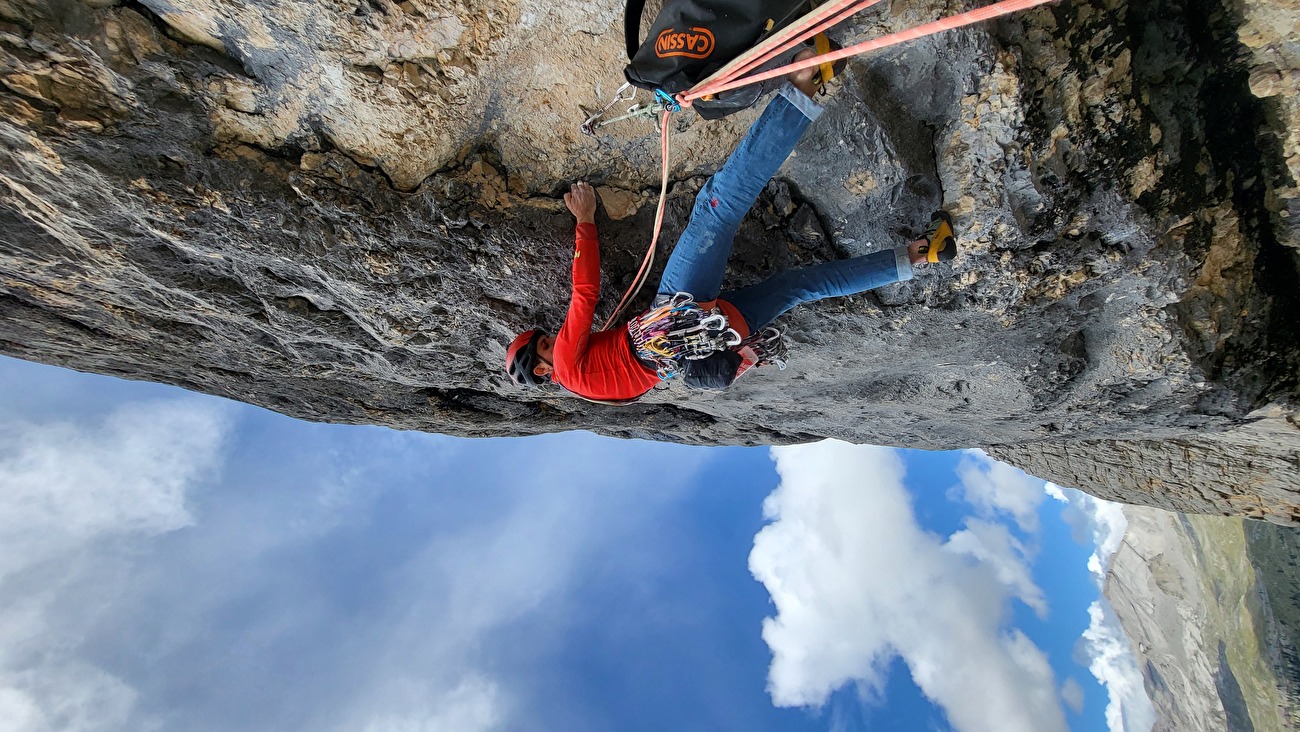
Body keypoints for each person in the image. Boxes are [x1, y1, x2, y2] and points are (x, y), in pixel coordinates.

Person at [505, 49, 957, 402]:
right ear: (543, 370)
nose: (554, 339)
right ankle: (803, 82)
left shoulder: (602, 394)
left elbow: (646, 371)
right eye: (545, 344)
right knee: (718, 209)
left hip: (708, 339)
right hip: (676, 316)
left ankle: (920, 255)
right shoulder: (566, 364)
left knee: (801, 287)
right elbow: (584, 294)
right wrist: (584, 220)